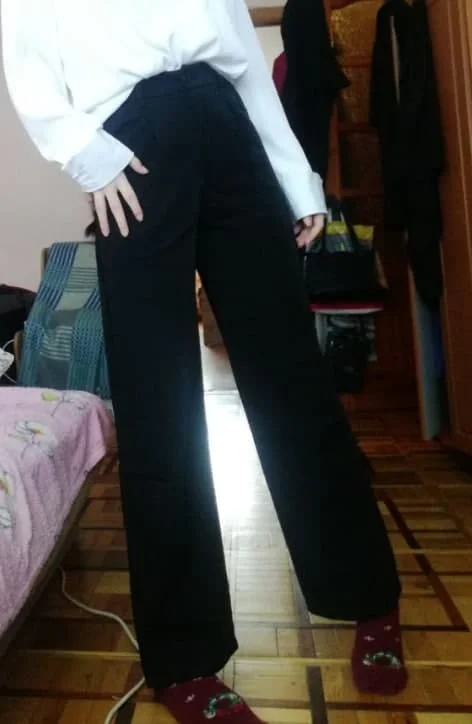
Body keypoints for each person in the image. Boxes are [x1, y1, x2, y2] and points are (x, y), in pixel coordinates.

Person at [1, 0, 407, 720]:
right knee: (157, 407)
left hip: (229, 127)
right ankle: (184, 657)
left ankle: (367, 593)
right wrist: (85, 152)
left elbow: (246, 66)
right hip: (130, 143)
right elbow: (24, 55)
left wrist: (296, 177)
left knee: (294, 381)